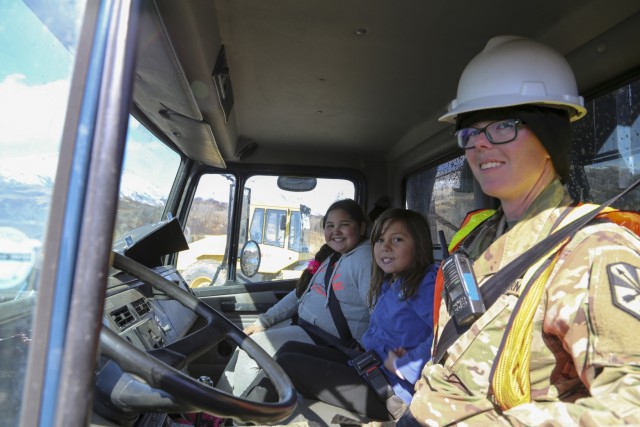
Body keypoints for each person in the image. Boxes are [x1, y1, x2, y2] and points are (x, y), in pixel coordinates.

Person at [390, 36, 640, 426]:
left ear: (549, 136)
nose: (479, 145)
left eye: (503, 127)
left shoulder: (594, 247)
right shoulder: (478, 238)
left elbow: (632, 406)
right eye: (470, 133)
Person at [246, 208, 437, 421]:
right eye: (380, 240)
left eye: (398, 239)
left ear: (418, 246)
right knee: (287, 350)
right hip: (370, 366)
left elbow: (449, 333)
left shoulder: (426, 283)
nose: (386, 247)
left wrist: (409, 364)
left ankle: (237, 418)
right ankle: (242, 412)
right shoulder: (391, 282)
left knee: (287, 364)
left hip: (390, 391)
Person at [217, 199, 372, 397]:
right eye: (330, 226)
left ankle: (230, 413)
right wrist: (264, 322)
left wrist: (374, 355)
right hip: (306, 329)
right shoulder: (333, 257)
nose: (336, 231)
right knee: (245, 344)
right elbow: (300, 295)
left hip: (332, 343)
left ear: (362, 227)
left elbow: (378, 311)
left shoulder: (364, 259)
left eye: (345, 225)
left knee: (251, 351)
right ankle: (216, 408)